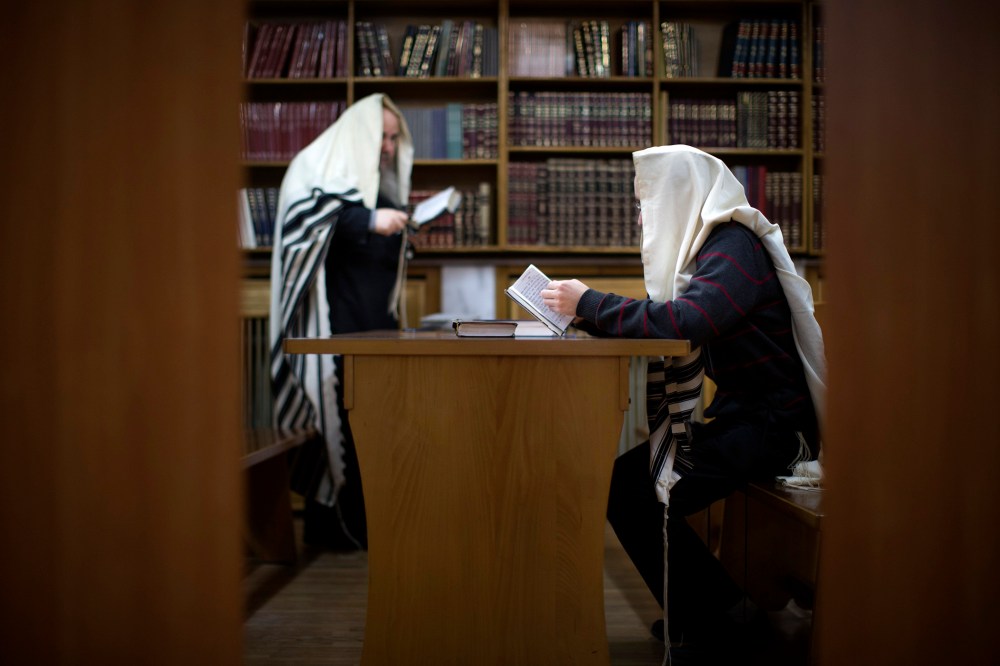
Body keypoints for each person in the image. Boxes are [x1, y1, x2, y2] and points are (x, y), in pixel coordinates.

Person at [540, 145, 826, 658]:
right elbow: (675, 318)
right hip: (750, 419)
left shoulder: (732, 244)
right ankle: (716, 613)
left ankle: (722, 622)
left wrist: (591, 302)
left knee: (634, 485)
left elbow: (690, 321)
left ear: (680, 193)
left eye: (645, 202)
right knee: (633, 481)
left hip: (778, 429)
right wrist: (590, 316)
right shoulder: (712, 245)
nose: (641, 215)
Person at [269, 93, 415, 550]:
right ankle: (333, 532)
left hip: (375, 324)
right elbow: (306, 225)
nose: (388, 147)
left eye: (394, 138)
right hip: (331, 326)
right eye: (382, 136)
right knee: (341, 429)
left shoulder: (380, 186)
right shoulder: (315, 169)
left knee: (377, 428)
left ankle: (373, 527)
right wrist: (369, 221)